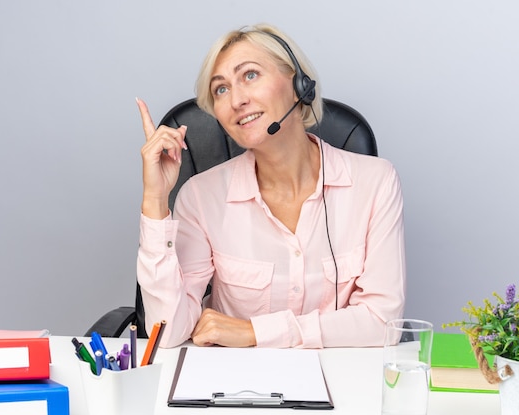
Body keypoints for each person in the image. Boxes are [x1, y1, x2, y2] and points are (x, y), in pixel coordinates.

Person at [136, 23, 405, 349]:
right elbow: (165, 333)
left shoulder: (375, 182)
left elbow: (382, 322)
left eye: (250, 75)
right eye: (221, 89)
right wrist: (155, 198)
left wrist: (255, 332)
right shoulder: (199, 196)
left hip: (339, 385)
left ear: (298, 85)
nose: (236, 100)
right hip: (234, 387)